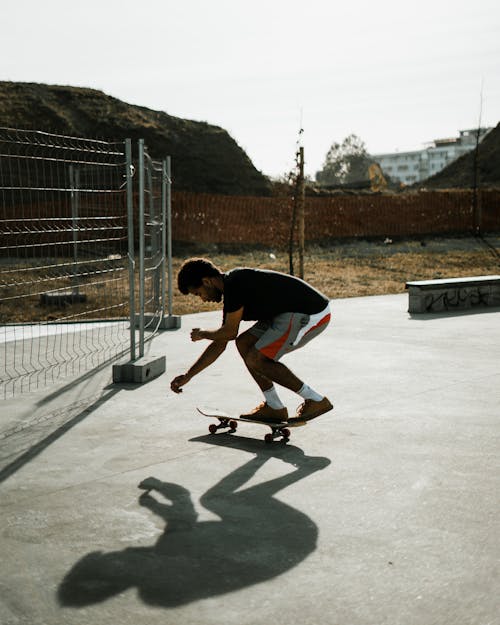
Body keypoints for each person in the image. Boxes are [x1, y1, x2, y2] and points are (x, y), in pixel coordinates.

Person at [170, 258, 333, 423]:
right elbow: (222, 341)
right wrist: (189, 375)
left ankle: (315, 400)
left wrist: (203, 334)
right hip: (283, 314)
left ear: (206, 281)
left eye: (199, 293)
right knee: (244, 343)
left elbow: (229, 332)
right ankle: (274, 406)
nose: (203, 299)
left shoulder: (235, 285)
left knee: (257, 358)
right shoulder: (232, 288)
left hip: (310, 313)